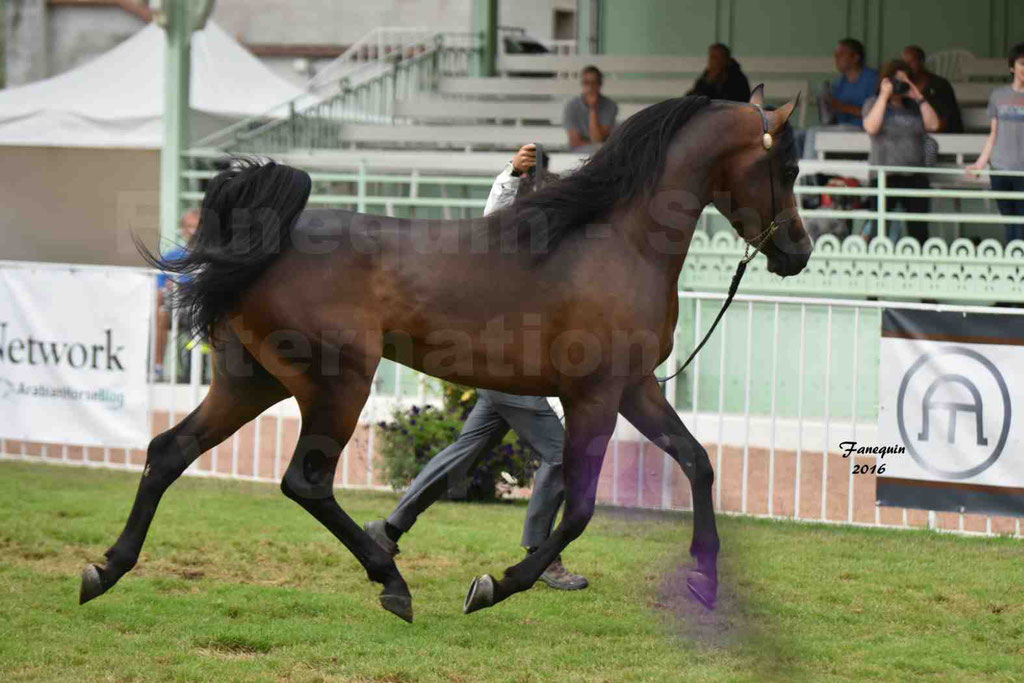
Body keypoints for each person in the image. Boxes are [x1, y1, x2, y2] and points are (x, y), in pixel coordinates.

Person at [364, 143, 589, 592]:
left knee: (463, 453)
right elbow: (496, 207)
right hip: (507, 368)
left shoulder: (549, 252)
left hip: (506, 370)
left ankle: (388, 530)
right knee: (561, 455)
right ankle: (541, 554)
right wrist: (511, 171)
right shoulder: (507, 238)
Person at [862, 59, 940, 243]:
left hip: (915, 174)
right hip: (884, 174)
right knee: (878, 228)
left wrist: (917, 95)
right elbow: (871, 127)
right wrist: (884, 95)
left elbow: (934, 125)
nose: (900, 85)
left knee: (918, 229)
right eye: (896, 81)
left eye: (904, 81)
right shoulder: (873, 103)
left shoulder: (915, 108)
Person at [967, 42, 1024, 243]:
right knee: (1009, 220)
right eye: (1022, 63)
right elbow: (994, 133)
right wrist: (980, 163)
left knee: (1021, 224)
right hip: (1000, 168)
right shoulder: (998, 95)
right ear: (1012, 67)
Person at [154, 209, 200, 382]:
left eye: (197, 226)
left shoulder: (212, 255)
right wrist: (168, 287)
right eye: (190, 226)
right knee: (161, 313)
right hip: (177, 308)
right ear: (183, 229)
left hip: (204, 308)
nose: (194, 231)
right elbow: (160, 288)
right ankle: (157, 368)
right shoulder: (172, 256)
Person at [902, 45, 964, 133]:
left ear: (921, 61)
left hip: (941, 136)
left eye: (912, 61)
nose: (907, 66)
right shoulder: (901, 86)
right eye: (904, 63)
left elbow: (948, 120)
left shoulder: (939, 84)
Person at [562, 65, 617, 151]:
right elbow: (575, 141)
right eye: (586, 83)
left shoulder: (610, 105)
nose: (590, 87)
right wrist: (596, 145)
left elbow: (597, 139)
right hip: (578, 152)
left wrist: (593, 108)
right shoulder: (571, 106)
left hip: (601, 153)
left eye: (594, 83)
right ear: (582, 84)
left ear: (599, 85)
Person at [830, 38, 879, 126]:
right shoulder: (840, 82)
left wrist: (843, 107)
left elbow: (875, 112)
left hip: (866, 131)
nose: (836, 58)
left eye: (841, 54)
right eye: (836, 54)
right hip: (842, 130)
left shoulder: (872, 79)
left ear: (855, 58)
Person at [686, 43, 751, 102]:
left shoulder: (738, 79)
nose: (712, 61)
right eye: (711, 57)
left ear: (726, 59)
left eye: (716, 57)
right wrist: (708, 83)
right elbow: (693, 98)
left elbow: (737, 102)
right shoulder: (705, 78)